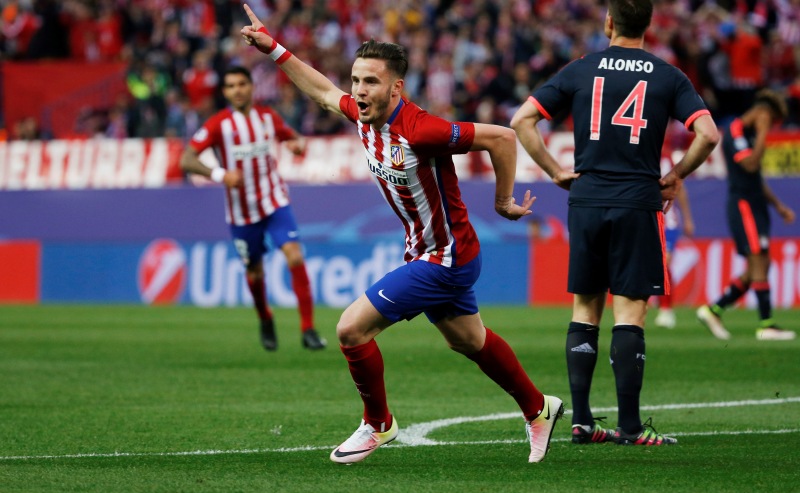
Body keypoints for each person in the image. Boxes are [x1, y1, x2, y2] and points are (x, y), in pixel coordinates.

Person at [240, 4, 564, 465]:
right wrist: (273, 47)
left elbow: (503, 138)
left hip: (445, 257)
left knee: (351, 329)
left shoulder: (421, 129)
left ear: (396, 88)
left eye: (370, 82)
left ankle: (378, 424)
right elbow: (322, 92)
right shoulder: (362, 115)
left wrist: (502, 201)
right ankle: (539, 408)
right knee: (468, 341)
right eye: (356, 80)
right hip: (426, 251)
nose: (358, 91)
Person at [511, 0, 719, 446]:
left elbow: (521, 120)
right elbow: (709, 134)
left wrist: (554, 170)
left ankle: (583, 422)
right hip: (637, 200)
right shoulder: (667, 75)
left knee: (585, 309)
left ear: (608, 22)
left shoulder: (581, 68)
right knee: (631, 312)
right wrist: (676, 175)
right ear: (649, 25)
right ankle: (629, 427)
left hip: (585, 200)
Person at [180, 66, 326, 352]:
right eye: (231, 85)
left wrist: (298, 145)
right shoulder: (217, 125)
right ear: (225, 92)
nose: (237, 90)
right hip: (242, 213)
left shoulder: (267, 118)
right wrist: (221, 175)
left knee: (295, 257)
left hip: (275, 202)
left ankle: (308, 328)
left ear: (251, 87)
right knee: (255, 273)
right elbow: (187, 159)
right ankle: (265, 318)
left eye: (242, 84)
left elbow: (293, 137)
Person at [696, 90, 796, 341]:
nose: (770, 126)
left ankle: (713, 309)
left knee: (759, 267)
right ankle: (766, 325)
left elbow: (755, 178)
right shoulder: (736, 131)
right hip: (744, 206)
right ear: (762, 113)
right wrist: (764, 132)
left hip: (754, 204)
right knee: (759, 261)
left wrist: (778, 205)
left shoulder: (748, 134)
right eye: (770, 120)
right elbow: (749, 165)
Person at [654, 158, 695, 330]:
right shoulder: (639, 154)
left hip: (668, 219)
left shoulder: (668, 160)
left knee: (664, 262)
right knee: (651, 264)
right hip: (646, 217)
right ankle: (650, 304)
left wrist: (687, 218)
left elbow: (680, 189)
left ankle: (666, 310)